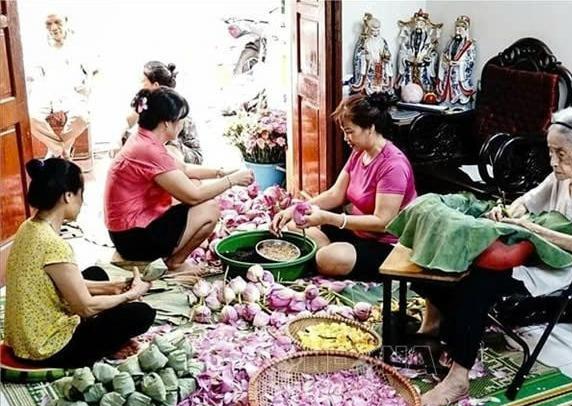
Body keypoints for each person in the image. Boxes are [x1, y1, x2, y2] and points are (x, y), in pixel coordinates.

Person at [417, 103, 572, 406]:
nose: (553, 161)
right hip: (538, 253)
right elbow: (527, 203)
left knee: (477, 285)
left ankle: (458, 378)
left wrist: (534, 230)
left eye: (561, 153)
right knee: (451, 267)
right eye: (550, 151)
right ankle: (450, 332)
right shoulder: (561, 175)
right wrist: (507, 212)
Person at [4, 158, 155, 368]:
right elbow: (85, 307)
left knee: (96, 273)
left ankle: (107, 338)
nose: (82, 201)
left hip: (23, 341)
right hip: (47, 350)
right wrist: (130, 295)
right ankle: (105, 346)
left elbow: (60, 283)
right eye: (80, 194)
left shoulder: (29, 227)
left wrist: (113, 287)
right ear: (67, 195)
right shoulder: (53, 245)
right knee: (141, 314)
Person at [271, 93, 417, 280]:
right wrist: (295, 209)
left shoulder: (393, 166)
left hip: (387, 246)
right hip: (356, 233)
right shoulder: (359, 153)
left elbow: (383, 223)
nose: (346, 138)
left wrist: (329, 218)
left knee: (328, 256)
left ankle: (326, 257)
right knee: (292, 225)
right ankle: (326, 256)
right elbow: (335, 194)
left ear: (370, 128)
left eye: (349, 131)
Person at [105, 87, 253, 272]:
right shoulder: (148, 150)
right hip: (133, 239)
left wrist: (221, 173)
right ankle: (175, 262)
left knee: (196, 185)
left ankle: (171, 256)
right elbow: (193, 197)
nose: (184, 123)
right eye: (181, 119)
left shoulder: (144, 138)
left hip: (129, 228)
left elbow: (183, 169)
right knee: (209, 208)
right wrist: (232, 180)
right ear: (167, 123)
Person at [27, 13, 97, 159]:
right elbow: (36, 77)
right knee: (29, 117)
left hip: (71, 93)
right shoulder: (38, 48)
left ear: (65, 21)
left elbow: (92, 72)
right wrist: (53, 101)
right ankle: (61, 150)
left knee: (82, 117)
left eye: (57, 22)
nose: (53, 27)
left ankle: (57, 151)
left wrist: (87, 89)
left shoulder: (79, 46)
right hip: (46, 92)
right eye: (48, 24)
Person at [121, 61, 203, 165]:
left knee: (164, 141)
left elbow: (169, 141)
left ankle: (176, 177)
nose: (139, 85)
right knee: (130, 139)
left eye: (142, 81)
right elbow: (128, 121)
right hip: (161, 152)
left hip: (187, 156)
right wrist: (117, 141)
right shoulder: (145, 103)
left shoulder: (174, 106)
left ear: (155, 85)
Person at [436, 15, 476, 107]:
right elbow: (444, 53)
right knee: (446, 84)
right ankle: (446, 97)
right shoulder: (450, 42)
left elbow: (470, 60)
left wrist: (460, 63)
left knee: (456, 86)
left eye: (461, 28)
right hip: (449, 69)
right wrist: (445, 60)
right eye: (457, 27)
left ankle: (457, 97)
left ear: (466, 30)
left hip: (458, 72)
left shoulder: (470, 45)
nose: (458, 30)